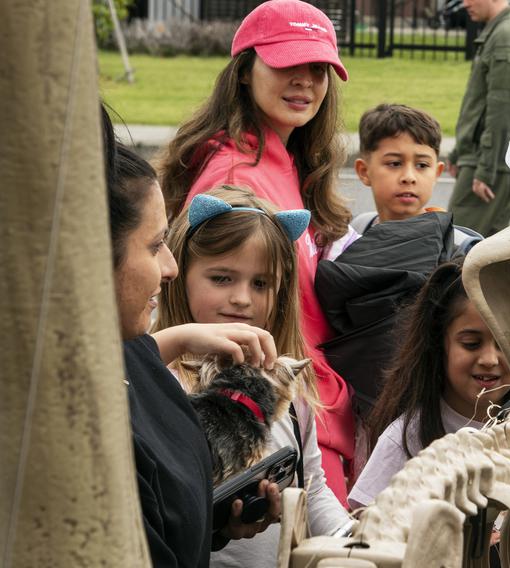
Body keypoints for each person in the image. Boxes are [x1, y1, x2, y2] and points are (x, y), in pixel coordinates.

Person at [158, 0, 357, 506]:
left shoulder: (280, 156)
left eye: (318, 68)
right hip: (269, 405)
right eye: (287, 64)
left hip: (301, 400)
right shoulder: (237, 177)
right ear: (245, 71)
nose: (305, 81)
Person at [104, 115, 280, 566]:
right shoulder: (97, 435)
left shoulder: (129, 355)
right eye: (155, 245)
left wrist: (214, 527)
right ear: (94, 250)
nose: (170, 267)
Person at [153, 186, 353, 567]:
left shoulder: (283, 386)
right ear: (181, 276)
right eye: (222, 278)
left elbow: (311, 485)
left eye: (260, 283)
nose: (243, 298)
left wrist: (352, 541)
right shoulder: (163, 377)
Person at [347, 258, 510, 509]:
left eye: (507, 344)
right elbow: (366, 527)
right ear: (439, 343)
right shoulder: (405, 439)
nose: (489, 359)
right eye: (471, 344)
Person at [446, 0, 510, 237]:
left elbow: (502, 113)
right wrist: (459, 152)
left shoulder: (506, 37)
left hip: (488, 163)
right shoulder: (501, 32)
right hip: (486, 159)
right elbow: (482, 104)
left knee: (455, 249)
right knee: (486, 260)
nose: (464, 4)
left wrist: (486, 170)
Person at [350, 103, 481, 247]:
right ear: (364, 171)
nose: (409, 177)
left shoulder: (460, 248)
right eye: (394, 163)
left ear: (436, 173)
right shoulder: (351, 234)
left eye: (422, 165)